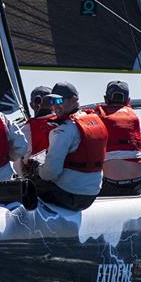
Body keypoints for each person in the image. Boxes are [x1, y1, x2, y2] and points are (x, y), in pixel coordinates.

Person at [30, 82, 107, 211]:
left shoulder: (63, 130)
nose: (55, 106)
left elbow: (50, 173)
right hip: (92, 194)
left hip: (70, 195)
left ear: (74, 100)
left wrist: (36, 169)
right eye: (51, 101)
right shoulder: (95, 120)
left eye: (59, 100)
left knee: (30, 179)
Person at [95, 81, 141, 196]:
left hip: (108, 183)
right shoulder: (138, 119)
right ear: (128, 101)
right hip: (138, 183)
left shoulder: (95, 119)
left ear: (106, 99)